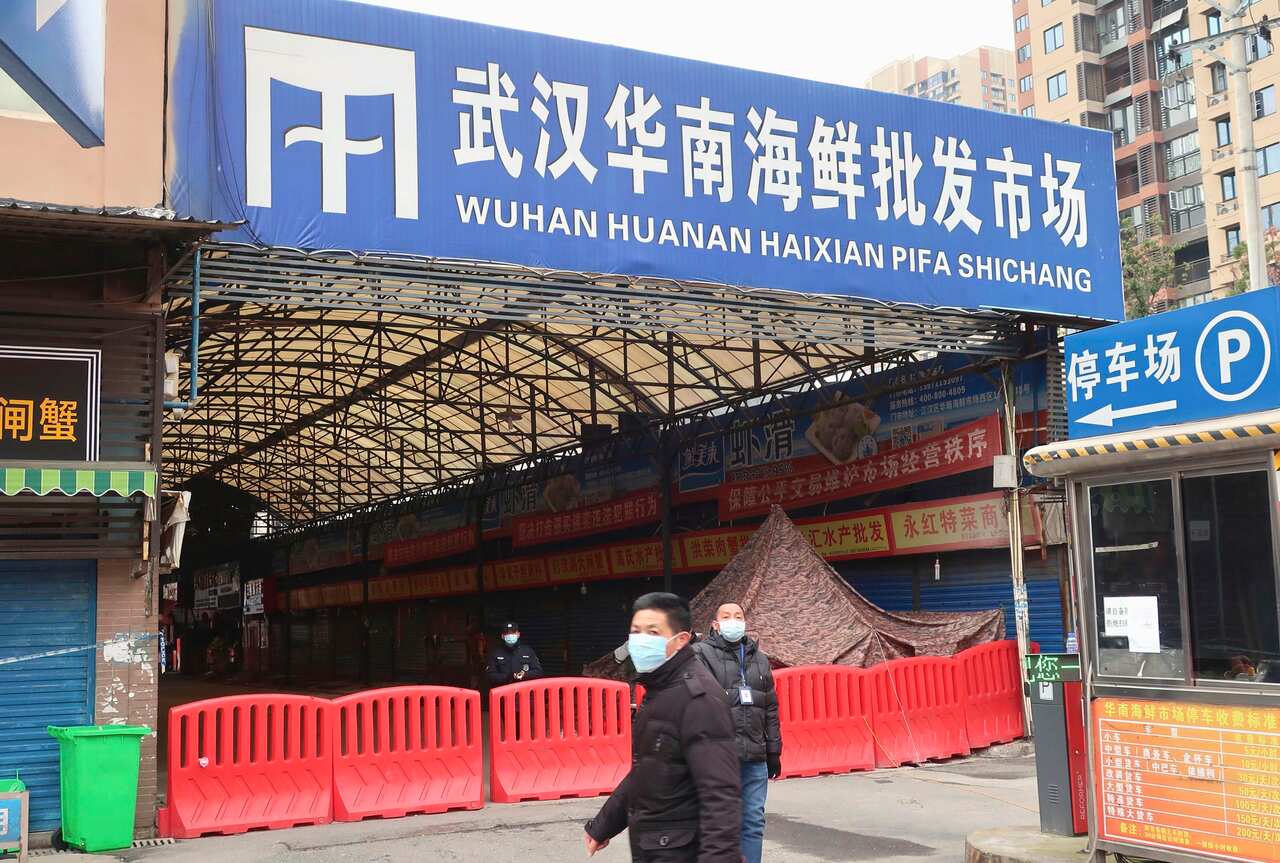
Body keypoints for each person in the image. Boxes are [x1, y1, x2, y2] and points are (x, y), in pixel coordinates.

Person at [584, 592, 741, 863]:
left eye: (653, 632)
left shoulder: (699, 699)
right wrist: (605, 824)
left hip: (682, 850)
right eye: (636, 631)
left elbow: (721, 797)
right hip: (657, 846)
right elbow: (649, 769)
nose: (641, 639)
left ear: (681, 640)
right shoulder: (660, 688)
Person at [693, 603, 782, 863]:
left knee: (753, 820)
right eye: (726, 617)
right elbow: (701, 701)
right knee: (718, 823)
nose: (733, 621)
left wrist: (774, 750)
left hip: (755, 754)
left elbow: (770, 707)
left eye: (738, 616)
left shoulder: (760, 658)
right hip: (718, 756)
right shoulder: (700, 654)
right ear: (715, 624)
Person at [486, 621, 543, 686]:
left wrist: (524, 675)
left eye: (513, 632)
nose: (510, 635)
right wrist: (508, 676)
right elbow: (490, 676)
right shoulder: (496, 653)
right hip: (504, 692)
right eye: (507, 633)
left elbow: (538, 672)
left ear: (518, 634)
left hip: (523, 691)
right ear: (502, 636)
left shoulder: (528, 651)